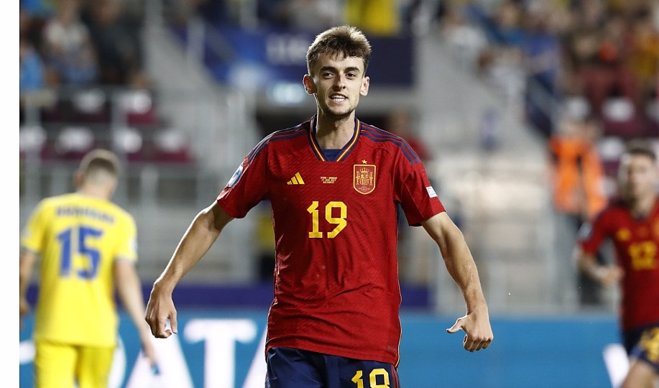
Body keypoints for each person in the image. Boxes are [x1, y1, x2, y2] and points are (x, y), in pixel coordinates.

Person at [144, 25, 493, 387]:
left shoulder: (392, 156)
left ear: (364, 85)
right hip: (294, 340)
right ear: (310, 83)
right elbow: (212, 221)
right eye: (329, 74)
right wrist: (165, 283)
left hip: (367, 341)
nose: (340, 83)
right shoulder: (275, 153)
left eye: (350, 74)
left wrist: (477, 305)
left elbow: (447, 234)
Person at [20, 149, 157, 388]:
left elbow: (23, 267)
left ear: (78, 177)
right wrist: (143, 330)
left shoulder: (47, 210)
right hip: (99, 330)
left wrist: (18, 299)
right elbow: (125, 277)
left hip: (54, 326)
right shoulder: (121, 221)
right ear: (112, 185)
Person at [574, 142, 659, 388]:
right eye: (628, 170)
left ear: (656, 175)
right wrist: (599, 271)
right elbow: (582, 255)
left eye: (641, 170)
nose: (634, 177)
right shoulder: (610, 216)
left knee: (631, 384)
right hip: (632, 320)